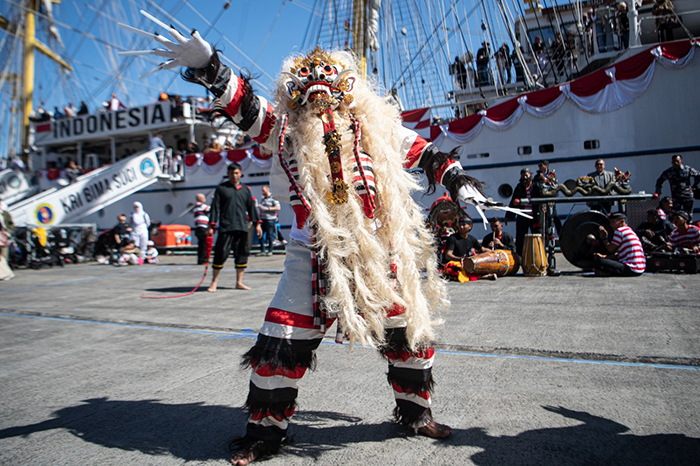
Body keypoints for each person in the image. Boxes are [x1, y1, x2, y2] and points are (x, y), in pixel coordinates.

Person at [130, 27, 527, 463]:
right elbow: (243, 105)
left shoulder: (374, 127)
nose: (319, 93)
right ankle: (265, 436)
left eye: (329, 83)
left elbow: (425, 152)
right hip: (312, 254)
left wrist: (456, 180)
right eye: (307, 84)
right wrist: (209, 67)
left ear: (346, 88)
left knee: (409, 336)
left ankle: (416, 415)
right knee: (280, 342)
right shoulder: (283, 128)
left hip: (378, 251)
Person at [208, 163, 262, 292]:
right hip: (226, 226)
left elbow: (251, 208)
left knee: (242, 254)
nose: (234, 175)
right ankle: (214, 282)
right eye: (232, 173)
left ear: (240, 173)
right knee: (221, 253)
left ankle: (239, 282)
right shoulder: (221, 188)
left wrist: (257, 224)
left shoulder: (245, 189)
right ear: (228, 174)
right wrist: (211, 225)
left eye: (237, 173)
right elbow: (215, 208)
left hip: (242, 226)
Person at [594, 212, 645, 276]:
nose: (611, 225)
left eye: (613, 222)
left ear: (622, 221)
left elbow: (610, 249)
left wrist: (604, 238)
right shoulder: (629, 230)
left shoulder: (619, 231)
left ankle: (608, 273)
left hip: (631, 268)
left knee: (600, 261)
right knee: (603, 260)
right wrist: (604, 256)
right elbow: (620, 255)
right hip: (640, 269)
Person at [506, 168, 535, 256]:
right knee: (520, 237)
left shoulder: (535, 186)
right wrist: (509, 216)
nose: (524, 177)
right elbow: (513, 202)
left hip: (534, 216)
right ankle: (520, 257)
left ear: (530, 175)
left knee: (537, 236)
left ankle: (537, 255)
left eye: (526, 175)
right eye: (523, 176)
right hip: (523, 215)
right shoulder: (519, 187)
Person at [258, 185, 280, 256]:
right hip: (263, 219)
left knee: (270, 235)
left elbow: (278, 207)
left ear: (267, 190)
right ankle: (262, 250)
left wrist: (267, 208)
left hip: (270, 219)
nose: (262, 192)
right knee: (260, 234)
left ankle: (270, 250)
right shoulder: (263, 199)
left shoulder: (273, 198)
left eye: (263, 190)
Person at [193, 193, 211, 265]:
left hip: (198, 228)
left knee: (201, 243)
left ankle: (201, 258)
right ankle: (203, 259)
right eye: (204, 198)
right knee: (204, 244)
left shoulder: (195, 207)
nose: (205, 199)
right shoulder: (201, 206)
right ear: (201, 199)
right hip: (202, 227)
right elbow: (209, 209)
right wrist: (214, 200)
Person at [0, 199, 14, 281]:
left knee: (3, 256)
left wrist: (7, 232)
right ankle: (6, 273)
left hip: (3, 236)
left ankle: (6, 273)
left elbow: (9, 224)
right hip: (2, 236)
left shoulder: (4, 213)